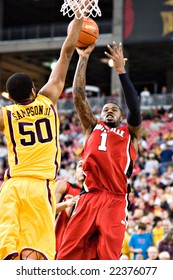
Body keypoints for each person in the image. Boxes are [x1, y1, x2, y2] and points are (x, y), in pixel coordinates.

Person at [0, 8, 87, 260]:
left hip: (13, 186)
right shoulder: (48, 99)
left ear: (11, 98)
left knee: (9, 252)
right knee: (36, 254)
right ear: (34, 88)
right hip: (40, 186)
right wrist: (79, 14)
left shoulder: (6, 115)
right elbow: (66, 52)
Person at [58, 41, 142, 260]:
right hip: (89, 197)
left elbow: (134, 107)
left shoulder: (130, 132)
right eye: (106, 109)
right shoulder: (92, 126)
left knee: (108, 259)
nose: (109, 111)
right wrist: (83, 57)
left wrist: (121, 71)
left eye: (114, 109)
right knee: (67, 255)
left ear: (121, 117)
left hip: (115, 199)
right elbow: (78, 95)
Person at [55, 159, 84, 258]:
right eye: (80, 166)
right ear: (75, 173)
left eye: (87, 166)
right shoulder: (64, 185)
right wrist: (66, 204)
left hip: (81, 250)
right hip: (59, 245)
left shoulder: (95, 196)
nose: (83, 169)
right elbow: (46, 210)